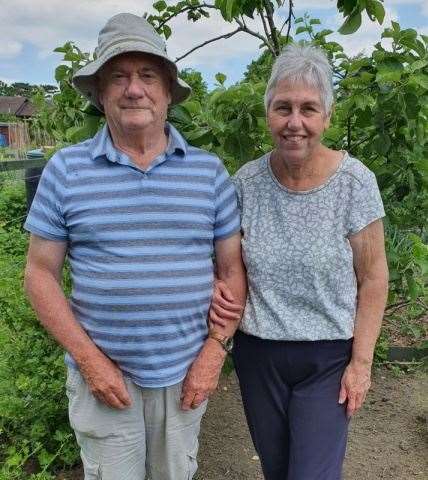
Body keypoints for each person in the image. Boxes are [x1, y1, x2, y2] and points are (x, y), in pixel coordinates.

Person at [24, 13, 246, 480]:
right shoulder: (66, 170)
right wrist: (89, 360)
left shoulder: (209, 173)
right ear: (100, 93)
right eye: (118, 77)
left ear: (168, 91)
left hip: (186, 373)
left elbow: (231, 272)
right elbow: (38, 274)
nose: (133, 89)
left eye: (148, 75)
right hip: (102, 375)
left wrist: (213, 354)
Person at [210, 43, 389, 480]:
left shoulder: (354, 183)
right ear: (267, 113)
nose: (295, 122)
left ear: (326, 117)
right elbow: (229, 266)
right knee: (278, 470)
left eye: (309, 109)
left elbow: (374, 277)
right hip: (259, 355)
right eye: (282, 108)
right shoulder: (246, 183)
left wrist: (361, 364)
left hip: (328, 358)